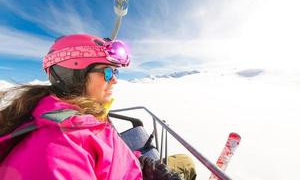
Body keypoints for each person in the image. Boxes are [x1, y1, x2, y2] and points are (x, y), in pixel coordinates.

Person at [0, 34, 194, 180]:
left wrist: (141, 164)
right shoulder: (57, 148)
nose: (115, 80)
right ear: (75, 75)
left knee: (186, 161)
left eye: (115, 71)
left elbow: (109, 154)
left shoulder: (82, 117)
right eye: (108, 72)